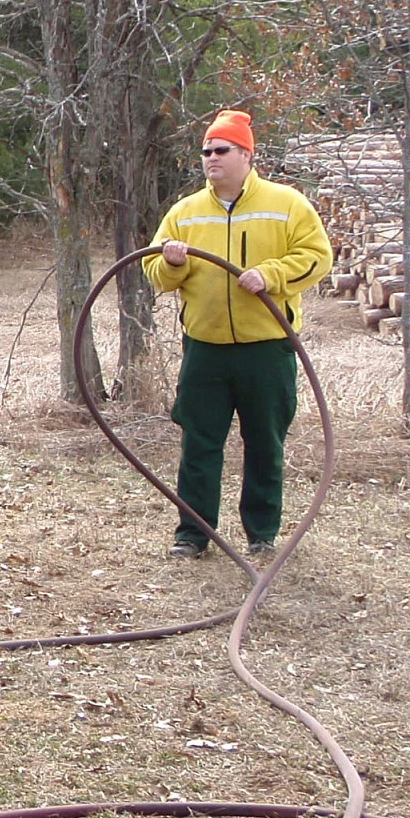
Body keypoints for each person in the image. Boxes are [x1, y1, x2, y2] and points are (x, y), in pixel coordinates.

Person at [145, 109, 333, 561]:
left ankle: (262, 534)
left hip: (266, 347)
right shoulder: (184, 213)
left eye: (221, 150)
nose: (212, 158)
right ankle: (193, 534)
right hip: (205, 348)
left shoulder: (287, 204)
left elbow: (317, 256)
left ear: (246, 155)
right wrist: (173, 262)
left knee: (265, 441)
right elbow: (155, 275)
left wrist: (272, 275)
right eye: (206, 150)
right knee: (199, 441)